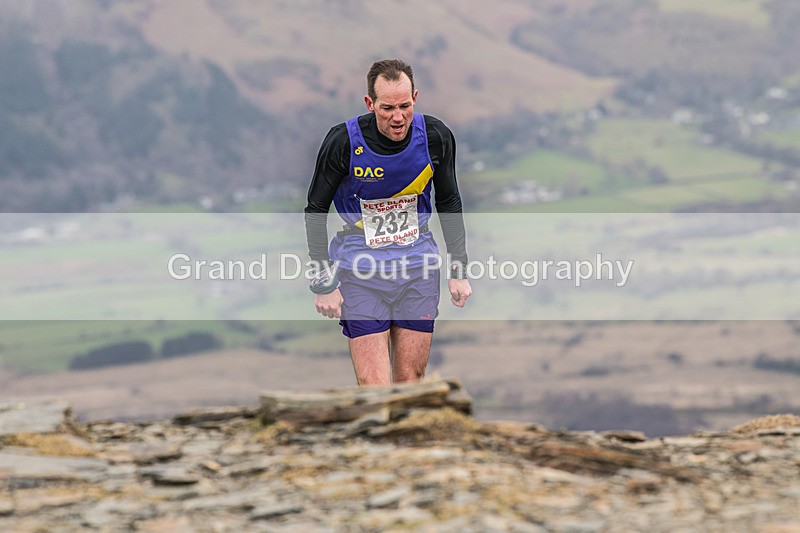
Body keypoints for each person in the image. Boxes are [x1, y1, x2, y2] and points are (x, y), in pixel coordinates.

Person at [304, 58, 471, 386]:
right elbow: (315, 209)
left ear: (415, 98)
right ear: (370, 104)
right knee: (375, 388)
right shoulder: (343, 142)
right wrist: (324, 284)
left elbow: (449, 202)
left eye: (405, 106)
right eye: (387, 107)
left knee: (410, 383)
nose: (398, 116)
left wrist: (458, 271)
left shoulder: (435, 137)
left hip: (417, 269)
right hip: (360, 272)